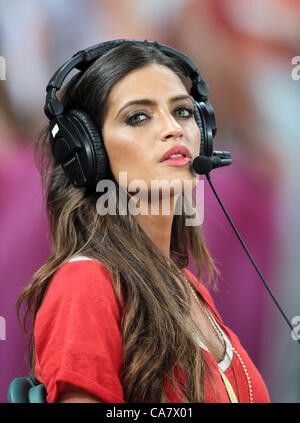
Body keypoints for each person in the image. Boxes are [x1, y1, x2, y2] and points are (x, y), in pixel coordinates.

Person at [16, 40, 270, 403]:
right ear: (88, 152)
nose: (173, 129)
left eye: (182, 112)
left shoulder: (187, 286)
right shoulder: (85, 284)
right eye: (138, 116)